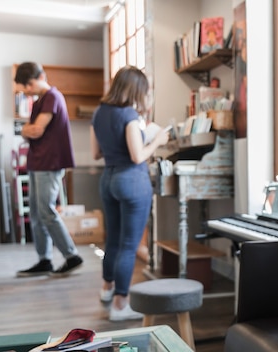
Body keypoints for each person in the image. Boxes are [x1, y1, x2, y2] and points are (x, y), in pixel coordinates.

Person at [90, 66, 169, 321]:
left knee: (113, 239)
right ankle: (121, 305)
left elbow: (96, 154)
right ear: (136, 90)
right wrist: (157, 140)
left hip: (108, 179)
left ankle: (106, 289)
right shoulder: (129, 115)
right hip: (132, 181)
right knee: (128, 245)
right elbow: (137, 156)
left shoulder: (99, 114)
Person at [14, 62, 84, 278]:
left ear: (42, 76)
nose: (27, 89)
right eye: (24, 86)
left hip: (49, 164)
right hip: (37, 163)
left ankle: (72, 256)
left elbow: (34, 130)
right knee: (36, 213)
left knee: (46, 210)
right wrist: (27, 130)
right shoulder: (38, 102)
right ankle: (44, 260)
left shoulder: (53, 96)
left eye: (30, 84)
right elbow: (29, 130)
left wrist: (26, 130)